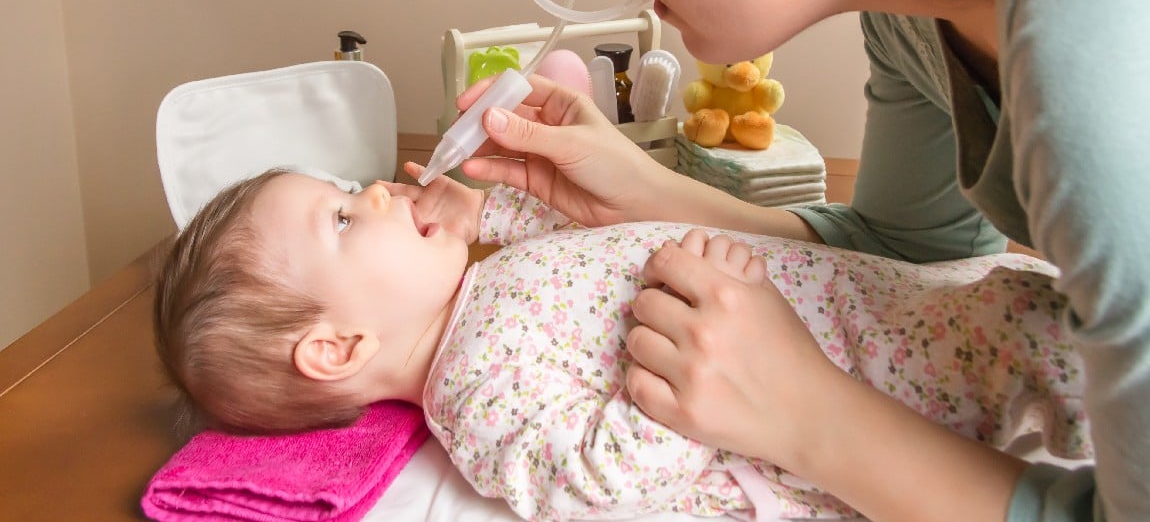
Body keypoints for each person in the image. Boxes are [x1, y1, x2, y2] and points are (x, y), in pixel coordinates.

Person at [439, 0, 1150, 521]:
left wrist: (805, 415)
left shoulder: (1102, 57)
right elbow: (912, 251)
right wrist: (645, 195)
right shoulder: (917, 13)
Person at [155, 167, 1088, 522]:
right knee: (1041, 370)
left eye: (349, 188)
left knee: (1025, 313)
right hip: (870, 376)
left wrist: (493, 201)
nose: (378, 195)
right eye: (344, 222)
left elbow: (565, 239)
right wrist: (690, 384)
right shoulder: (476, 396)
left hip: (893, 305)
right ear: (338, 348)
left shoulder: (480, 280)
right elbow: (597, 480)